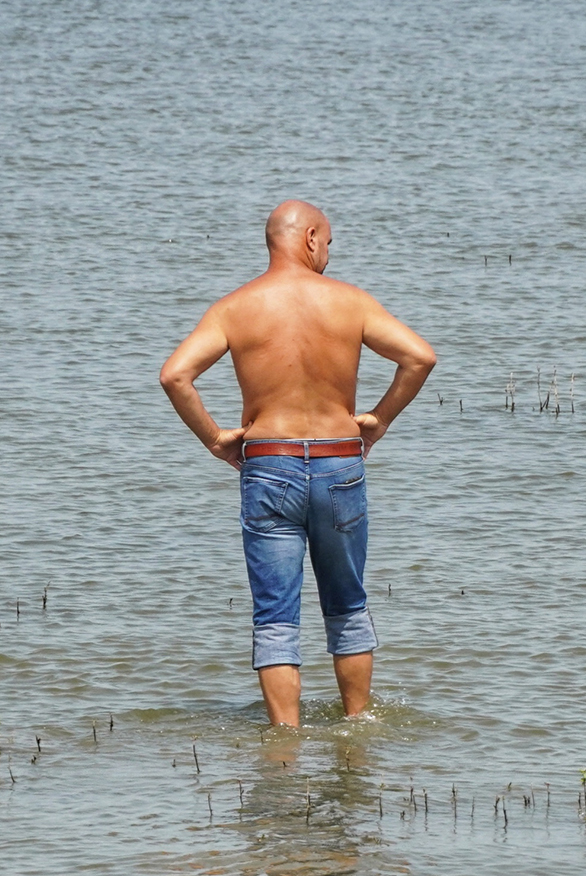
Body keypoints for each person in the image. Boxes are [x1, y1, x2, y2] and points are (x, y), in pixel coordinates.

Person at [159, 202, 436, 727]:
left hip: (268, 466)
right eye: (328, 242)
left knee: (274, 617)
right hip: (338, 464)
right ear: (310, 238)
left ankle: (284, 743)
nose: (329, 253)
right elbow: (419, 357)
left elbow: (175, 376)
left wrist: (217, 440)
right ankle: (357, 728)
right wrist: (377, 419)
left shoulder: (235, 307)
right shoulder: (350, 302)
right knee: (347, 604)